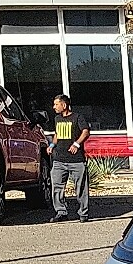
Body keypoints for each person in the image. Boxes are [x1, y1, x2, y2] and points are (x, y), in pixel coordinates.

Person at [48, 94, 90, 222]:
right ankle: (61, 212)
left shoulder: (77, 117)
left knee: (81, 188)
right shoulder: (57, 119)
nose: (54, 107)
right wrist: (52, 145)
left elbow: (86, 131)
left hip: (76, 160)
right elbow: (57, 133)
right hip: (59, 160)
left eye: (56, 104)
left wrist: (77, 144)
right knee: (57, 187)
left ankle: (83, 213)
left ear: (64, 105)